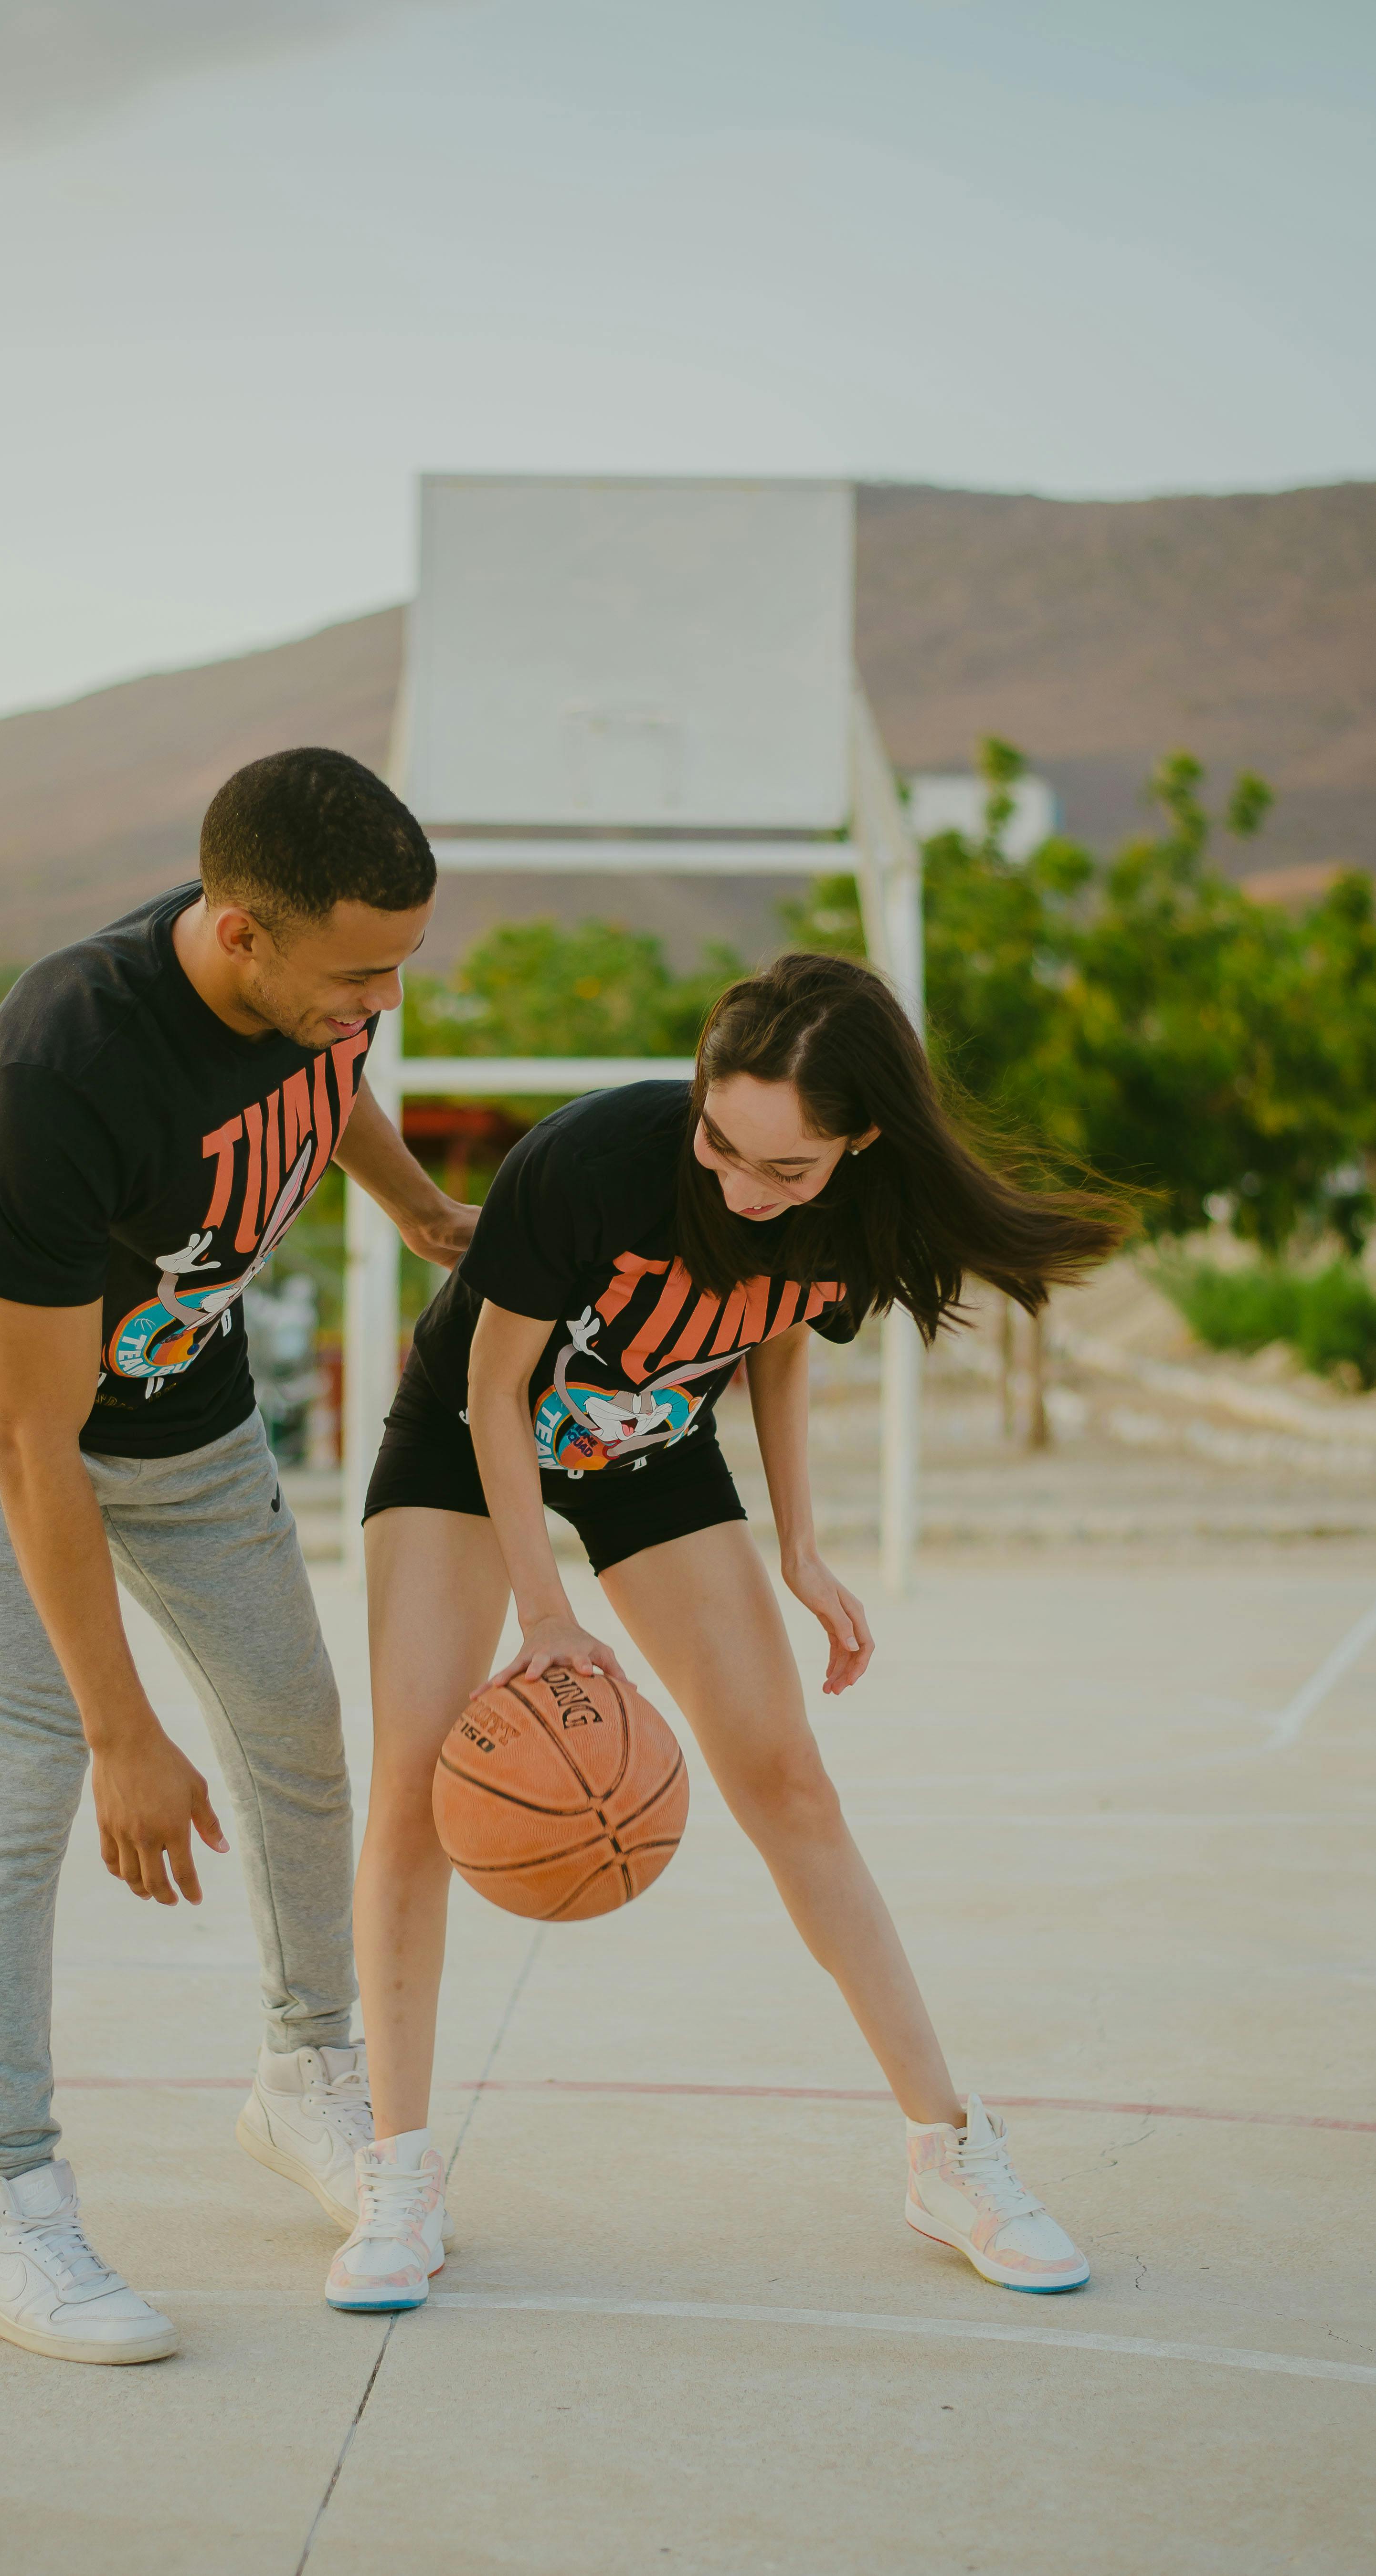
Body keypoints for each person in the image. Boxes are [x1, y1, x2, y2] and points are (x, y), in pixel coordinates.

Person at [327, 948, 1127, 2313]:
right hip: (473, 1442)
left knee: (787, 1777)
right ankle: (397, 2169)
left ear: (858, 1143)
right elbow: (492, 1388)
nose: (739, 1188)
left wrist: (800, 1546)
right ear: (696, 1096)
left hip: (652, 1446)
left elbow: (774, 1343)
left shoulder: (859, 1212)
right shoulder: (587, 1165)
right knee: (414, 1771)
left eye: (782, 1172)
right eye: (719, 1144)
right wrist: (548, 1616)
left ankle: (951, 2153)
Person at [0, 747, 475, 2366]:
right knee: (30, 1772)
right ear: (235, 935)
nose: (383, 1005)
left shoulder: (310, 1003)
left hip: (189, 1412)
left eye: (401, 966)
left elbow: (323, 1083)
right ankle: (5, 2209)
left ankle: (305, 2076)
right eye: (360, 973)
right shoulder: (63, 1065)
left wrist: (420, 1212)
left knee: (297, 1728)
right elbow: (24, 1441)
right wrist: (126, 1727)